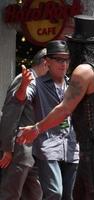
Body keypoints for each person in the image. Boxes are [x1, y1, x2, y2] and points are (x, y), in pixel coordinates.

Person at [16, 15, 94, 200]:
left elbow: (64, 109)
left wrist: (37, 128)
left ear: (79, 46)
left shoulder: (83, 71)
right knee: (80, 195)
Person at [15, 40, 79, 200]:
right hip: (47, 146)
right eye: (59, 59)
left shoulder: (74, 85)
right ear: (47, 61)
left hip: (71, 147)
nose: (63, 64)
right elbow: (21, 97)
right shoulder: (37, 83)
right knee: (54, 193)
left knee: (68, 196)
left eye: (66, 59)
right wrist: (23, 85)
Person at [0, 48, 48, 200]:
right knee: (10, 195)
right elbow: (9, 114)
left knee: (35, 194)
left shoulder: (42, 84)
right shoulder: (23, 79)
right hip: (19, 151)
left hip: (35, 152)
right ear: (46, 63)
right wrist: (7, 148)